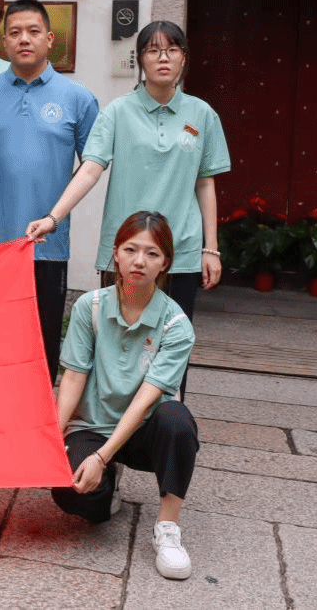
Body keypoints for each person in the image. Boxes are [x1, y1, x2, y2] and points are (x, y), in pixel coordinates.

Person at [26, 20, 230, 327]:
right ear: (140, 59)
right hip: (125, 249)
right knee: (116, 340)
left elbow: (205, 184)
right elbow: (90, 169)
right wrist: (52, 219)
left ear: (184, 57)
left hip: (180, 250)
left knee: (172, 341)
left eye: (172, 50)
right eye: (153, 51)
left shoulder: (202, 114)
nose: (163, 58)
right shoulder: (117, 111)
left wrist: (210, 249)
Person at [51, 211, 199, 581]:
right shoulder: (90, 306)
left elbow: (147, 398)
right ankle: (107, 490)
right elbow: (73, 377)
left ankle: (168, 527)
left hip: (145, 429)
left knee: (178, 421)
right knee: (71, 492)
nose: (139, 261)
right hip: (93, 424)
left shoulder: (176, 324)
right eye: (131, 249)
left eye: (152, 253)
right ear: (115, 253)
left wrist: (102, 455)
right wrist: (49, 440)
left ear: (165, 263)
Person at [0, 0, 98, 382]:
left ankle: (40, 411)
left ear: (49, 38)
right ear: (3, 41)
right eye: (14, 32)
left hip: (47, 245)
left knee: (42, 349)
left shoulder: (78, 98)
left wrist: (56, 216)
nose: (23, 39)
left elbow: (93, 165)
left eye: (32, 31)